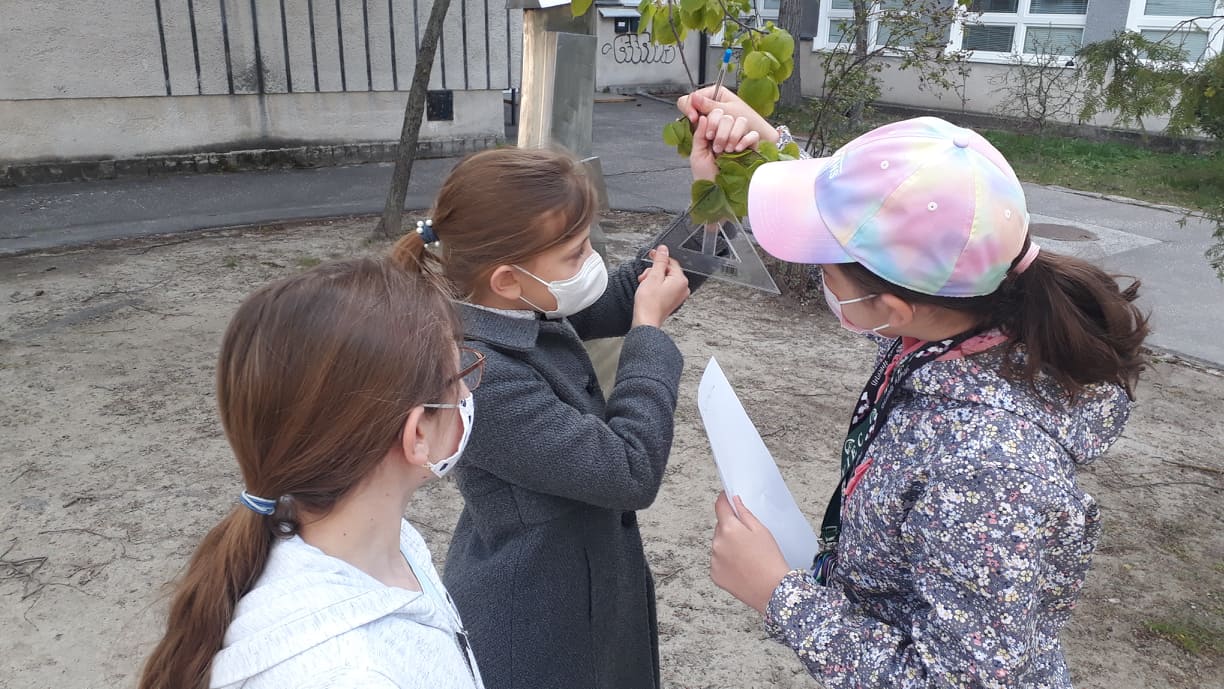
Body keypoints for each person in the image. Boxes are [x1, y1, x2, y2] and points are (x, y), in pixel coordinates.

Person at [679, 89, 1150, 688]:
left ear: (892, 308)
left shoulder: (987, 468)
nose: (821, 277)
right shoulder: (970, 325)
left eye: (825, 267)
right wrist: (770, 147)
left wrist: (779, 596)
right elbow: (889, 227)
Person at [389, 140, 749, 689]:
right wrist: (648, 335)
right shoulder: (477, 377)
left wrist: (712, 205)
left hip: (578, 591)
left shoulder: (513, 307)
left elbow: (626, 292)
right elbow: (628, 470)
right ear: (507, 278)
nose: (591, 263)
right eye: (576, 254)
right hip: (537, 625)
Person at [138, 258, 486, 689]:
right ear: (417, 434)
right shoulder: (349, 675)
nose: (468, 393)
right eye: (460, 375)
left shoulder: (389, 544)